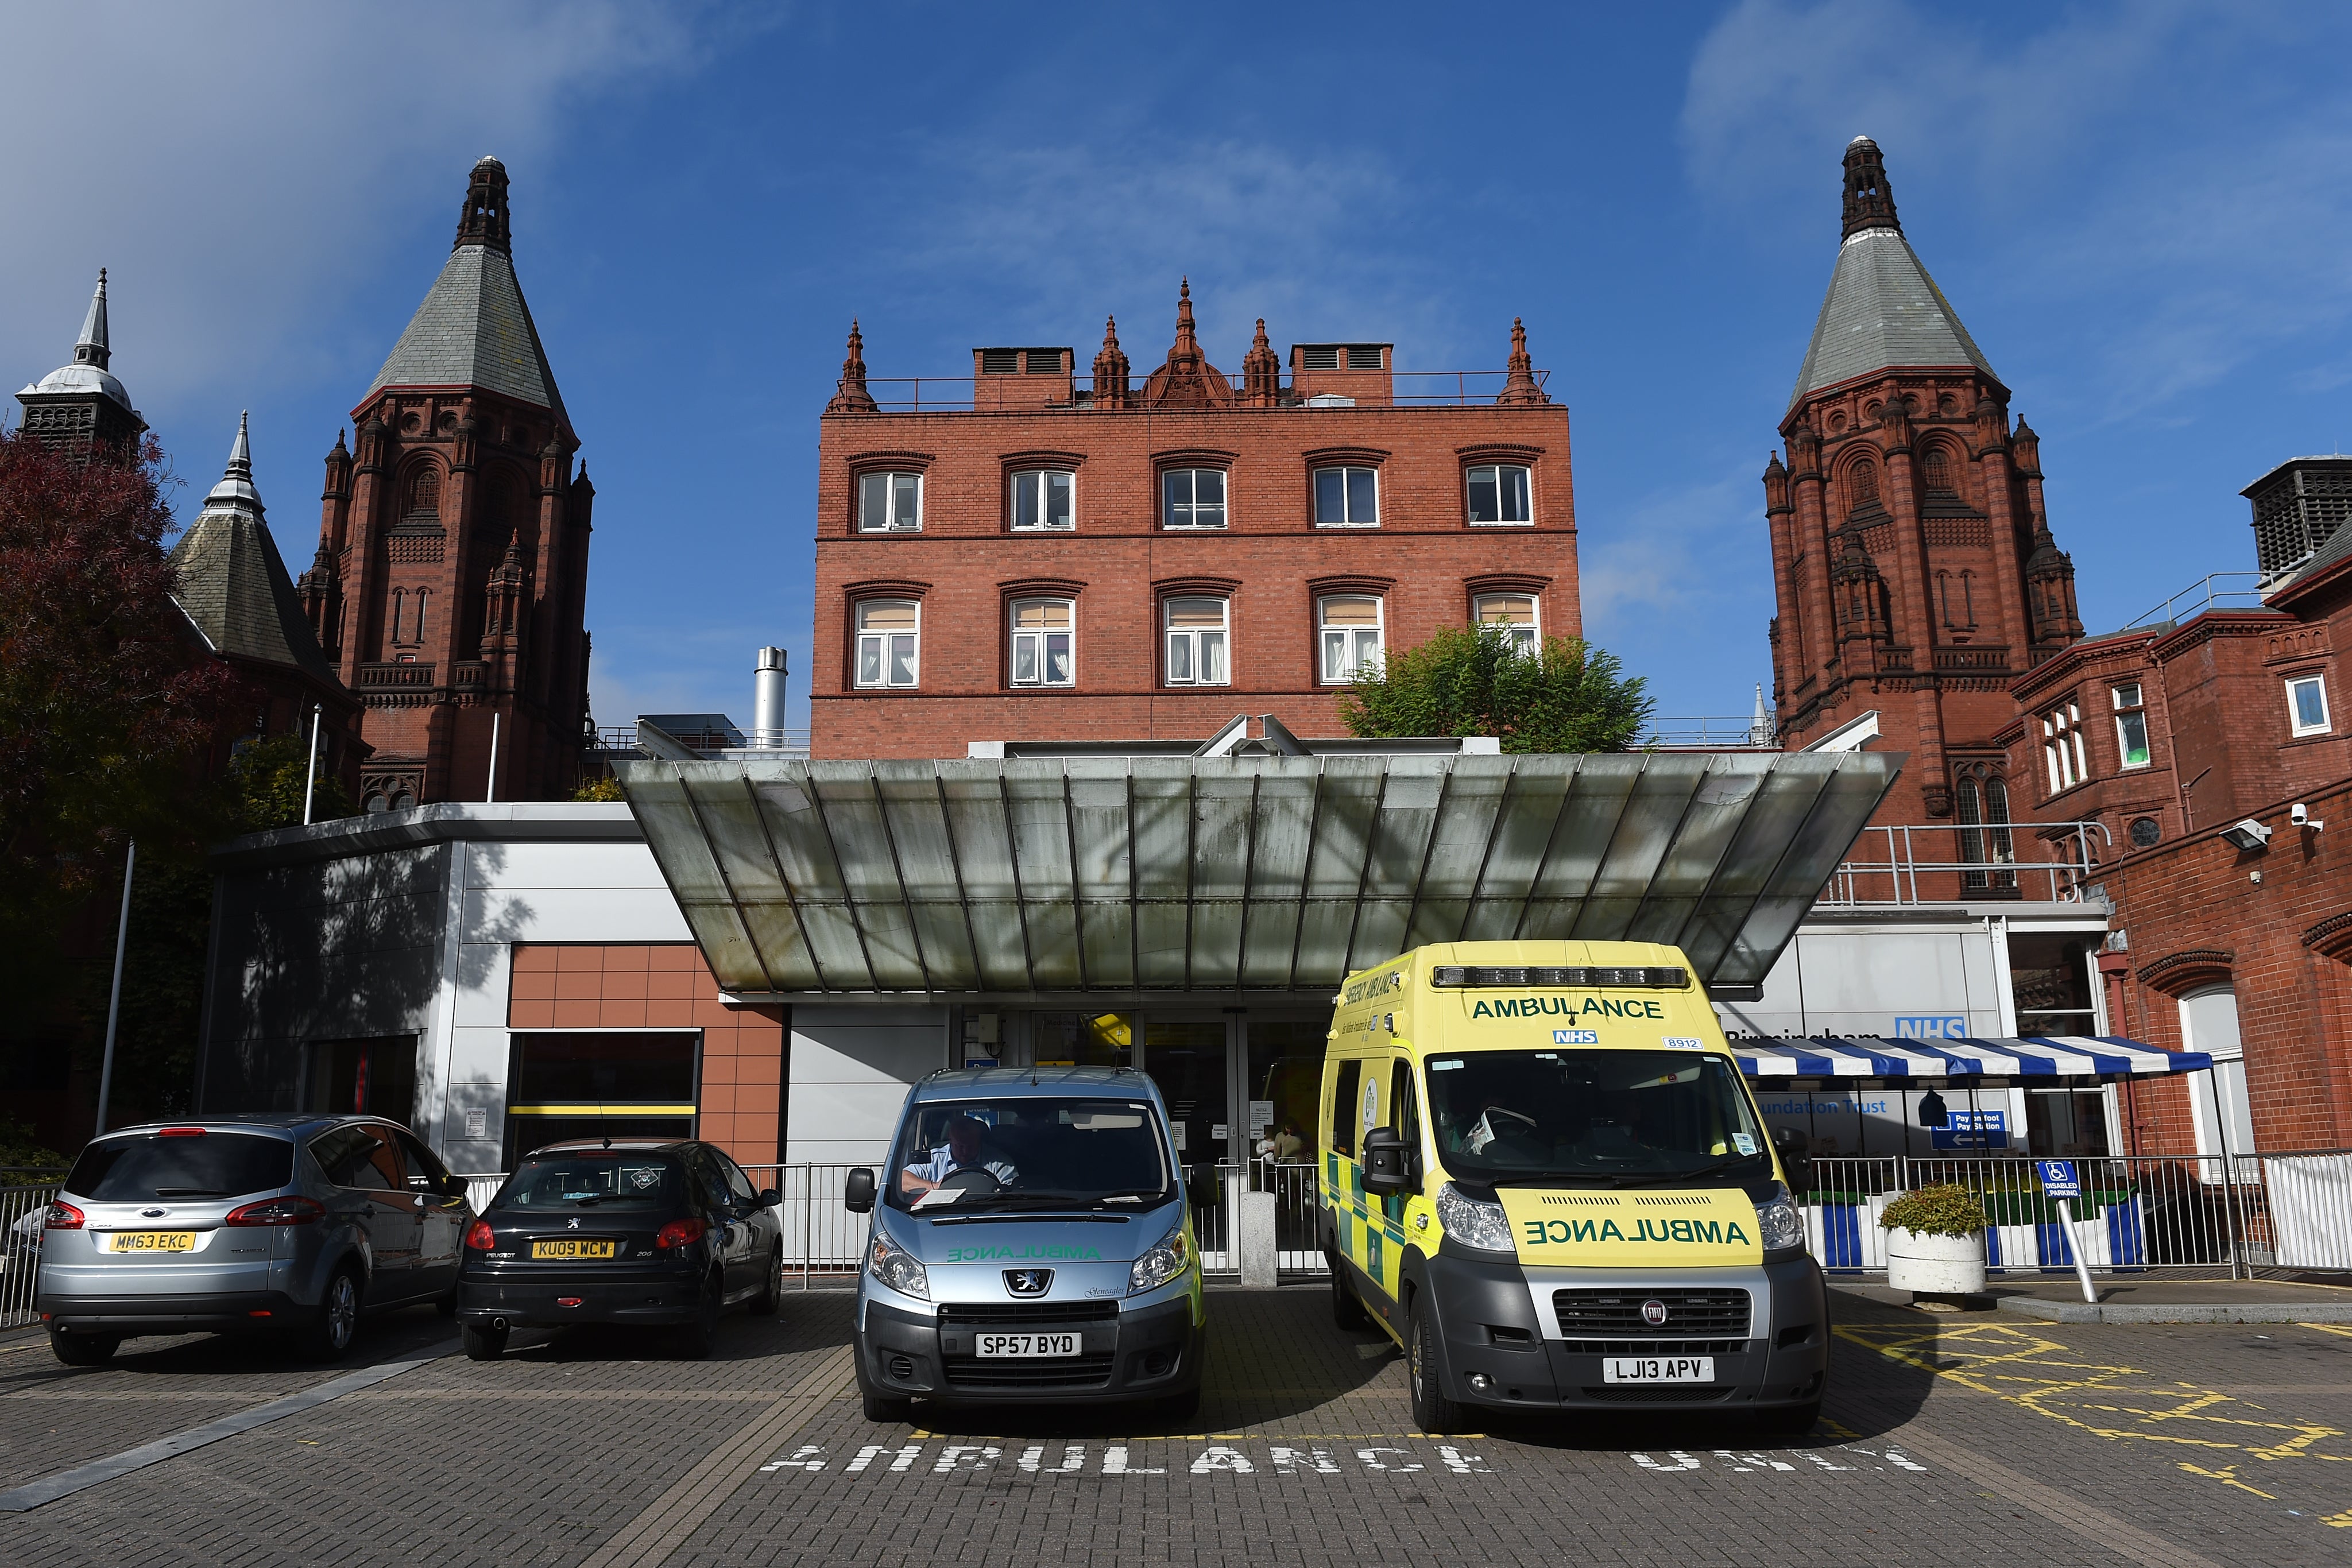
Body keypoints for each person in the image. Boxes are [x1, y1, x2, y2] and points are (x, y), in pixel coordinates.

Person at [900, 1114, 1018, 1197]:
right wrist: (935, 1187)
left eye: (970, 1146)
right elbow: (902, 1180)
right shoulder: (935, 1159)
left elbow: (1012, 1195)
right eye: (959, 1146)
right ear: (950, 1140)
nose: (965, 1152)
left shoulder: (999, 1163)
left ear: (979, 1141)